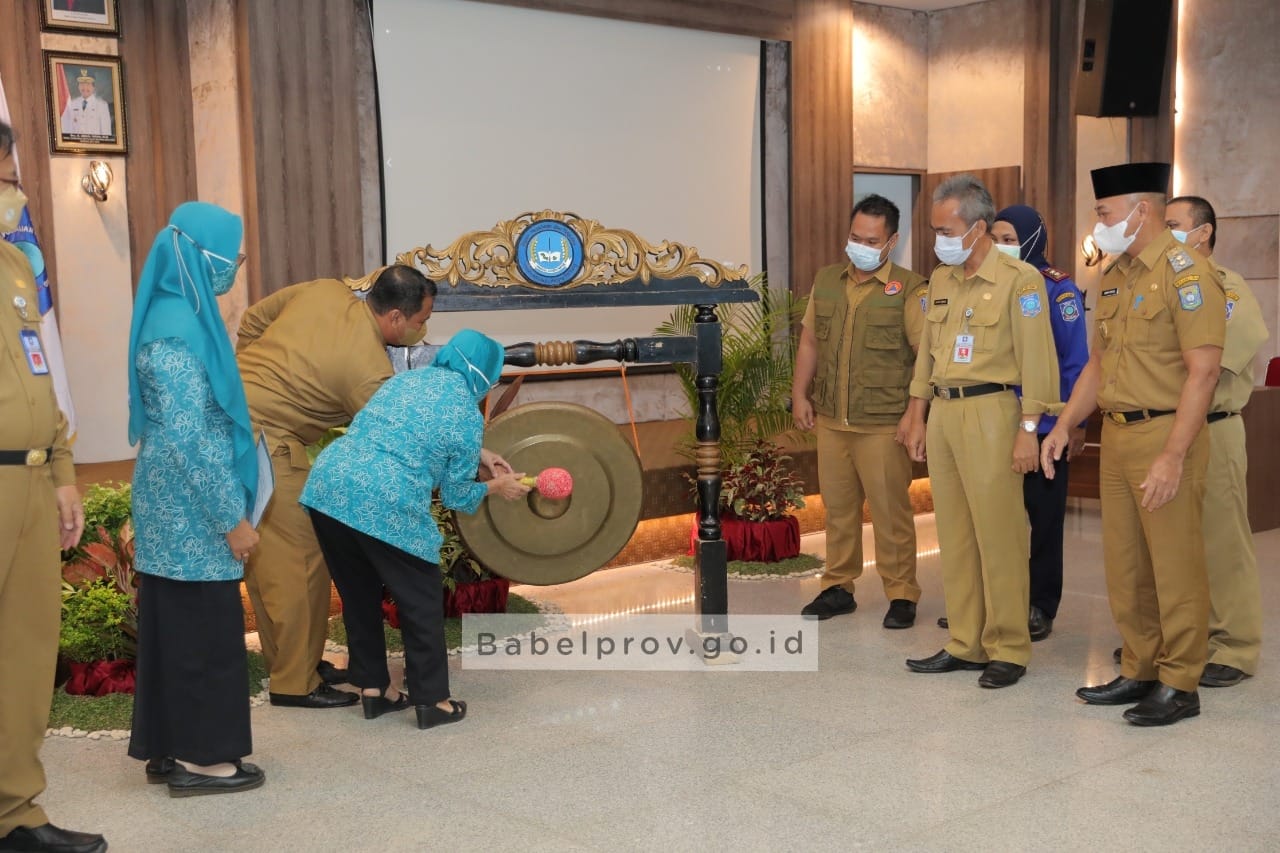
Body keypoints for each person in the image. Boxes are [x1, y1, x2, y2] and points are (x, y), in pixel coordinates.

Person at [1044, 163, 1225, 727]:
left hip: (1166, 432)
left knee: (1174, 566)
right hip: (1117, 435)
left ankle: (1180, 681)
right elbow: (1098, 364)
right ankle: (1141, 667)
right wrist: (1066, 422)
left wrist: (1173, 454)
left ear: (1140, 211)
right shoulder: (1115, 277)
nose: (1098, 224)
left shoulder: (1187, 274)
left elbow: (1203, 373)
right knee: (1124, 566)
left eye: (1104, 213)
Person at [300, 330, 529, 729]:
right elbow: (456, 496)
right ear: (485, 373)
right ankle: (432, 701)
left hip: (329, 490)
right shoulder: (464, 410)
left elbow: (415, 435)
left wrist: (484, 456)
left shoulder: (408, 380)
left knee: (359, 595)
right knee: (420, 599)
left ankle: (375, 691)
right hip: (384, 499)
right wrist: (497, 486)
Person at [236, 264, 435, 708]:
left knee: (270, 561)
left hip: (234, 426)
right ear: (397, 318)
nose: (424, 329)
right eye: (421, 320)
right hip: (266, 444)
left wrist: (248, 380)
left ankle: (293, 662)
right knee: (302, 562)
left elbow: (251, 321)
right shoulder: (367, 370)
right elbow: (403, 435)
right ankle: (294, 683)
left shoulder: (324, 289)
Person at [125, 202, 266, 797]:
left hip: (169, 500)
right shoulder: (180, 328)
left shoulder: (170, 313)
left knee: (170, 628)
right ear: (203, 257)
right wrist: (230, 517)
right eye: (232, 255)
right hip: (192, 507)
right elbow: (190, 437)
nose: (237, 265)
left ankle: (165, 746)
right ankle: (206, 760)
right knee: (206, 634)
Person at [900, 174, 1058, 689]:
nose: (937, 239)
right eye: (934, 230)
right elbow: (927, 351)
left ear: (979, 228)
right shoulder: (941, 280)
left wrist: (1029, 429)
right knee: (955, 534)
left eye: (946, 229)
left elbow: (1039, 361)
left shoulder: (1021, 280)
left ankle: (1009, 644)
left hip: (993, 412)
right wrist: (916, 411)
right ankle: (966, 641)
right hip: (944, 412)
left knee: (1000, 535)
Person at [0, 119, 106, 852]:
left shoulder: (14, 265)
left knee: (27, 651)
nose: (15, 186)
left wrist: (65, 474)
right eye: (4, 172)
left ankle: (16, 811)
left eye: (10, 169)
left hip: (35, 483)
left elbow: (38, 371)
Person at [792, 193, 927, 628]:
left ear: (891, 242)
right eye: (855, 237)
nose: (861, 246)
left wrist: (914, 415)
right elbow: (810, 341)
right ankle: (837, 587)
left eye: (871, 240)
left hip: (883, 424)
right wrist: (799, 395)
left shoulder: (910, 288)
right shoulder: (828, 279)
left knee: (891, 513)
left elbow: (924, 355)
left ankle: (902, 592)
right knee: (838, 510)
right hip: (833, 419)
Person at [1165, 195, 1269, 688]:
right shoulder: (1161, 286)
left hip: (1216, 426)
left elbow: (1214, 361)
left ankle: (1234, 646)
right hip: (1166, 429)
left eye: (1174, 225)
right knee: (1174, 545)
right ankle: (1185, 639)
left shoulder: (1229, 288)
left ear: (1203, 233)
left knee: (1223, 541)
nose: (1166, 234)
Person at [991, 205, 1089, 642]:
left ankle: (1040, 605)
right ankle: (997, 604)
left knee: (1043, 520)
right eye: (995, 236)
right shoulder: (990, 285)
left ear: (1032, 239)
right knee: (998, 519)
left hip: (1046, 425)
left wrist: (1073, 421)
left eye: (1009, 237)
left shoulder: (1058, 290)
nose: (1001, 246)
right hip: (995, 421)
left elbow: (1076, 362)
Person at [59, 72, 112, 138]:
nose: (85, 87)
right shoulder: (72, 104)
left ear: (93, 87)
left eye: (88, 84)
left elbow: (106, 134)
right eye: (82, 84)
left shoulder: (102, 105)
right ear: (78, 86)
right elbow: (67, 129)